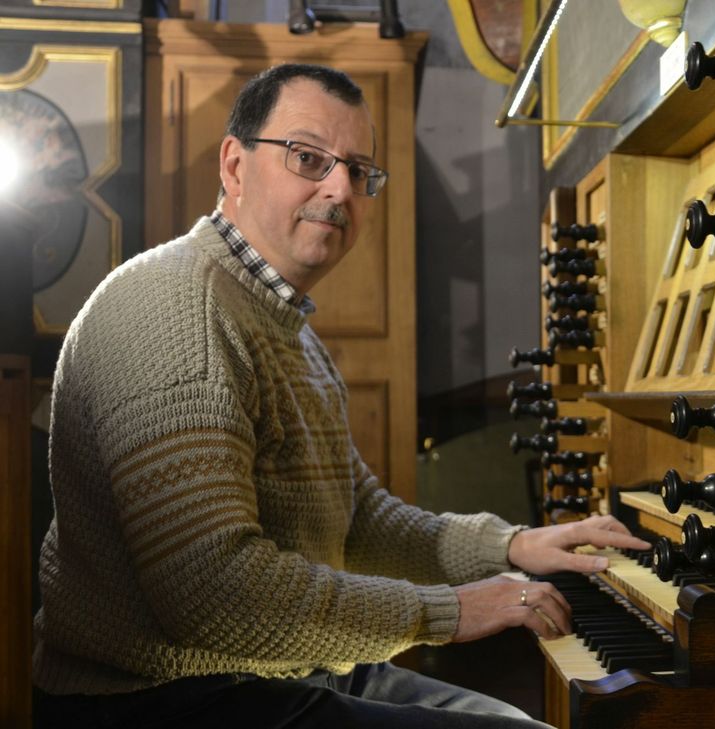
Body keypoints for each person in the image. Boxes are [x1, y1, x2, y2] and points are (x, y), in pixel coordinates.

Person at [33, 63, 649, 728]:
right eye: (308, 157)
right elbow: (214, 596)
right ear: (235, 166)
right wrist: (455, 609)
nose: (339, 188)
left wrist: (513, 545)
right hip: (152, 697)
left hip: (266, 668)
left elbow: (359, 521)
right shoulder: (168, 303)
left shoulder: (291, 331)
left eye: (358, 170)